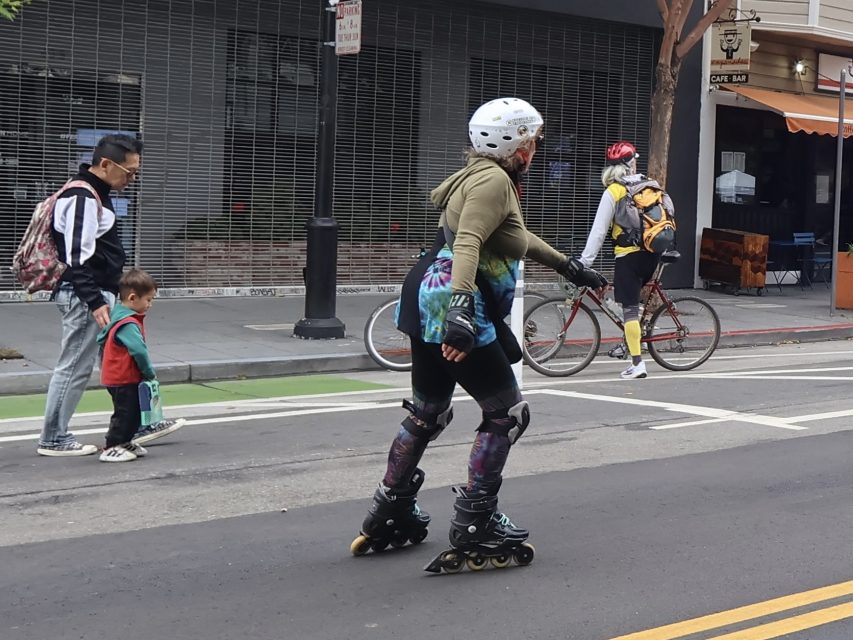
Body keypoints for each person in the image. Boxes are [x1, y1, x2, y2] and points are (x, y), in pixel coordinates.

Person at [350, 97, 607, 571]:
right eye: (534, 140)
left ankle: (390, 507)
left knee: (427, 412)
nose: (536, 149)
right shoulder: (493, 182)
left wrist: (570, 267)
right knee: (507, 413)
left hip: (426, 294)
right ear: (520, 146)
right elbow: (469, 241)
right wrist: (462, 311)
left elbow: (515, 238)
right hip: (452, 300)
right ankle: (476, 521)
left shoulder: (476, 175)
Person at [37, 134, 182, 456]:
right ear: (105, 164)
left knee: (120, 365)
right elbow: (75, 256)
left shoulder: (95, 194)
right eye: (130, 172)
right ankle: (53, 437)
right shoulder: (81, 197)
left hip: (97, 293)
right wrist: (94, 300)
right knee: (75, 366)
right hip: (87, 296)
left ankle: (136, 425)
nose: (132, 179)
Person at [577, 141, 659, 380]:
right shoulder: (649, 185)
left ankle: (637, 364)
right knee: (632, 303)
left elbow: (599, 231)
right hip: (652, 254)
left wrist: (585, 262)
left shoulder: (614, 191)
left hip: (628, 256)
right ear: (630, 164)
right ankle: (629, 340)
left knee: (629, 309)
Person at [96, 269, 185, 462]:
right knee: (125, 413)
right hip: (123, 377)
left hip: (120, 376)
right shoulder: (127, 323)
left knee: (134, 412)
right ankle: (112, 445)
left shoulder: (119, 317)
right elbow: (139, 351)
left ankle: (125, 441)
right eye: (148, 300)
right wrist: (148, 372)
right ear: (133, 298)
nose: (150, 305)